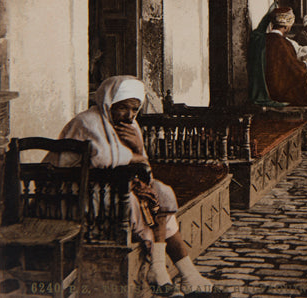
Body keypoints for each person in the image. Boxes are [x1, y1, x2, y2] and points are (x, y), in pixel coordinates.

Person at [47, 76, 216, 294]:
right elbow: (103, 160)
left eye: (134, 109)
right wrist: (136, 155)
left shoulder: (129, 125)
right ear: (109, 102)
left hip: (116, 188)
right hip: (78, 192)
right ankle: (162, 271)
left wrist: (138, 149)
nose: (129, 115)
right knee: (141, 205)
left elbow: (144, 170)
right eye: (122, 108)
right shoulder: (87, 121)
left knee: (160, 193)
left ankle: (185, 274)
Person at [258, 7, 307, 146]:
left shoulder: (266, 40)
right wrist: (305, 65)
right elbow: (293, 68)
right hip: (280, 90)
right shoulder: (282, 43)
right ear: (287, 25)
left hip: (269, 86)